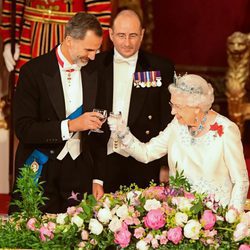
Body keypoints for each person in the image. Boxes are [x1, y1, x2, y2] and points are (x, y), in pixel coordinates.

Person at [108, 74, 249, 212]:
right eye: (172, 104)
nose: (172, 111)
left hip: (216, 220)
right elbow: (146, 153)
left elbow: (241, 181)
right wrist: (123, 133)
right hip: (179, 218)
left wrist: (231, 220)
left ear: (197, 108)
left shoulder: (226, 130)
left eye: (178, 106)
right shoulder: (177, 125)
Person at [11, 12, 104, 214]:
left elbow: (100, 134)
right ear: (69, 40)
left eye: (97, 50)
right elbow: (23, 129)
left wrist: (98, 177)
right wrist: (70, 126)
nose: (93, 56)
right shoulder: (33, 72)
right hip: (41, 167)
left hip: (79, 171)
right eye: (89, 49)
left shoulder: (95, 70)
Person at [92, 9, 175, 198]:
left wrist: (164, 165)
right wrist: (95, 175)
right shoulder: (95, 65)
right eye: (121, 35)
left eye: (133, 36)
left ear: (142, 35)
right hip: (104, 158)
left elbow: (167, 119)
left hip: (144, 160)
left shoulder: (161, 67)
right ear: (111, 34)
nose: (127, 43)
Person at [1, 0, 111, 82]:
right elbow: (13, 5)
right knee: (27, 84)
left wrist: (92, 43)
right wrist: (10, 39)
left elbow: (100, 8)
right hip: (31, 34)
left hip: (72, 34)